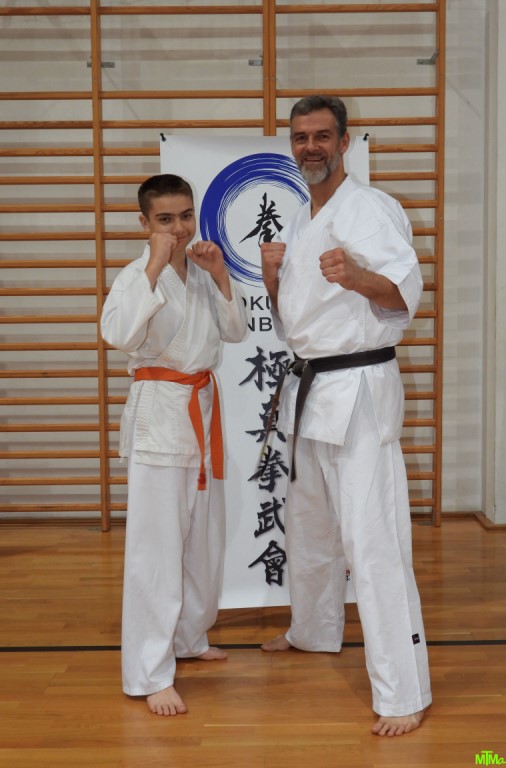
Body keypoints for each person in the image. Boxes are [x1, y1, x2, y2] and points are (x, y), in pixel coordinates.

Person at [260, 95, 432, 737]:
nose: (311, 147)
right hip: (313, 389)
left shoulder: (370, 208)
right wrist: (273, 281)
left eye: (322, 136)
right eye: (300, 137)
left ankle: (403, 691)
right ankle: (313, 629)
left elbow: (404, 295)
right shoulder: (305, 215)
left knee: (373, 539)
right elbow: (299, 324)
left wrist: (359, 277)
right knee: (311, 527)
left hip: (358, 388)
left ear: (345, 141)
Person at [100, 173, 249, 716]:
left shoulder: (203, 273)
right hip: (161, 417)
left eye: (185, 216)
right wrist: (154, 266)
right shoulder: (136, 274)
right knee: (156, 551)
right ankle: (148, 672)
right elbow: (117, 335)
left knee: (203, 540)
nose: (179, 228)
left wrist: (222, 274)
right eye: (165, 219)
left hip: (202, 412)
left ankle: (188, 637)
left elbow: (235, 332)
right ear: (144, 222)